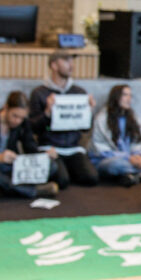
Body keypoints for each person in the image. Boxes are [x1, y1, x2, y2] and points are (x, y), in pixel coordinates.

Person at [0, 91, 59, 201]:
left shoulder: (23, 124)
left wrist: (44, 155)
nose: (17, 121)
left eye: (21, 118)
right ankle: (31, 191)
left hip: (11, 167)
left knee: (52, 165)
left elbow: (30, 148)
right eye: (15, 116)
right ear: (6, 108)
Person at [29, 50, 99, 189]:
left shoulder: (79, 92)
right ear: (54, 65)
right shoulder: (39, 93)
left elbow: (86, 128)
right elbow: (33, 127)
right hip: (50, 147)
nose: (71, 65)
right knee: (62, 181)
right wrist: (47, 113)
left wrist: (89, 112)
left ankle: (66, 169)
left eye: (72, 61)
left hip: (73, 147)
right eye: (66, 61)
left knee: (91, 178)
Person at [88, 83, 141, 186]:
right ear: (116, 97)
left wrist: (138, 155)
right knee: (115, 165)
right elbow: (101, 150)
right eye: (125, 95)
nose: (129, 99)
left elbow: (140, 140)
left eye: (130, 95)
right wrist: (128, 158)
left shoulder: (133, 118)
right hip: (109, 160)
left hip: (131, 158)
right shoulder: (102, 119)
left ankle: (130, 175)